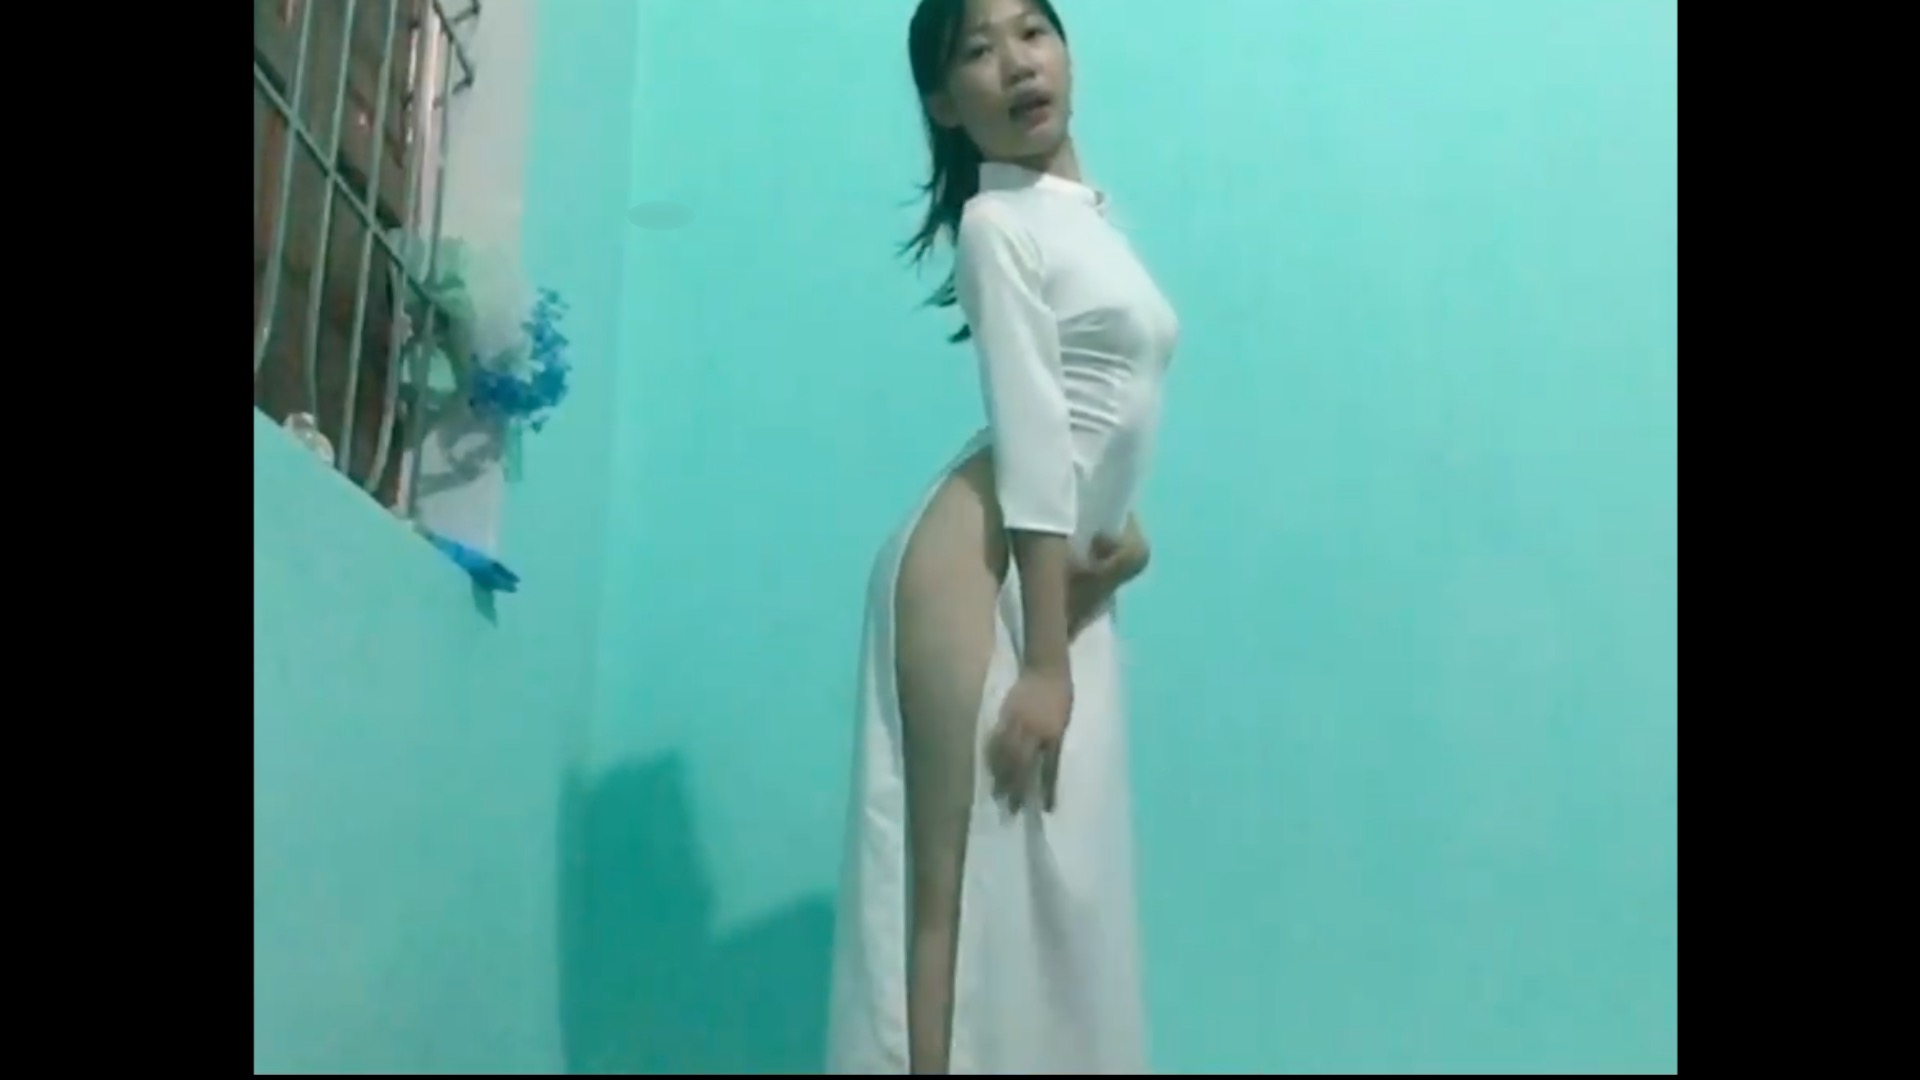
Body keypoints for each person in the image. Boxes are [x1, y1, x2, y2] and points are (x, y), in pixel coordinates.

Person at [826, 0, 1179, 1072]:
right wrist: (1044, 665)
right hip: (973, 568)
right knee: (947, 893)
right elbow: (1033, 433)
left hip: (1056, 574)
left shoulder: (1083, 221)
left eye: (1032, 31)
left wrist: (1125, 537)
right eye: (976, 52)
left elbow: (1100, 419)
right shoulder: (998, 224)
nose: (1017, 63)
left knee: (1053, 892)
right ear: (944, 103)